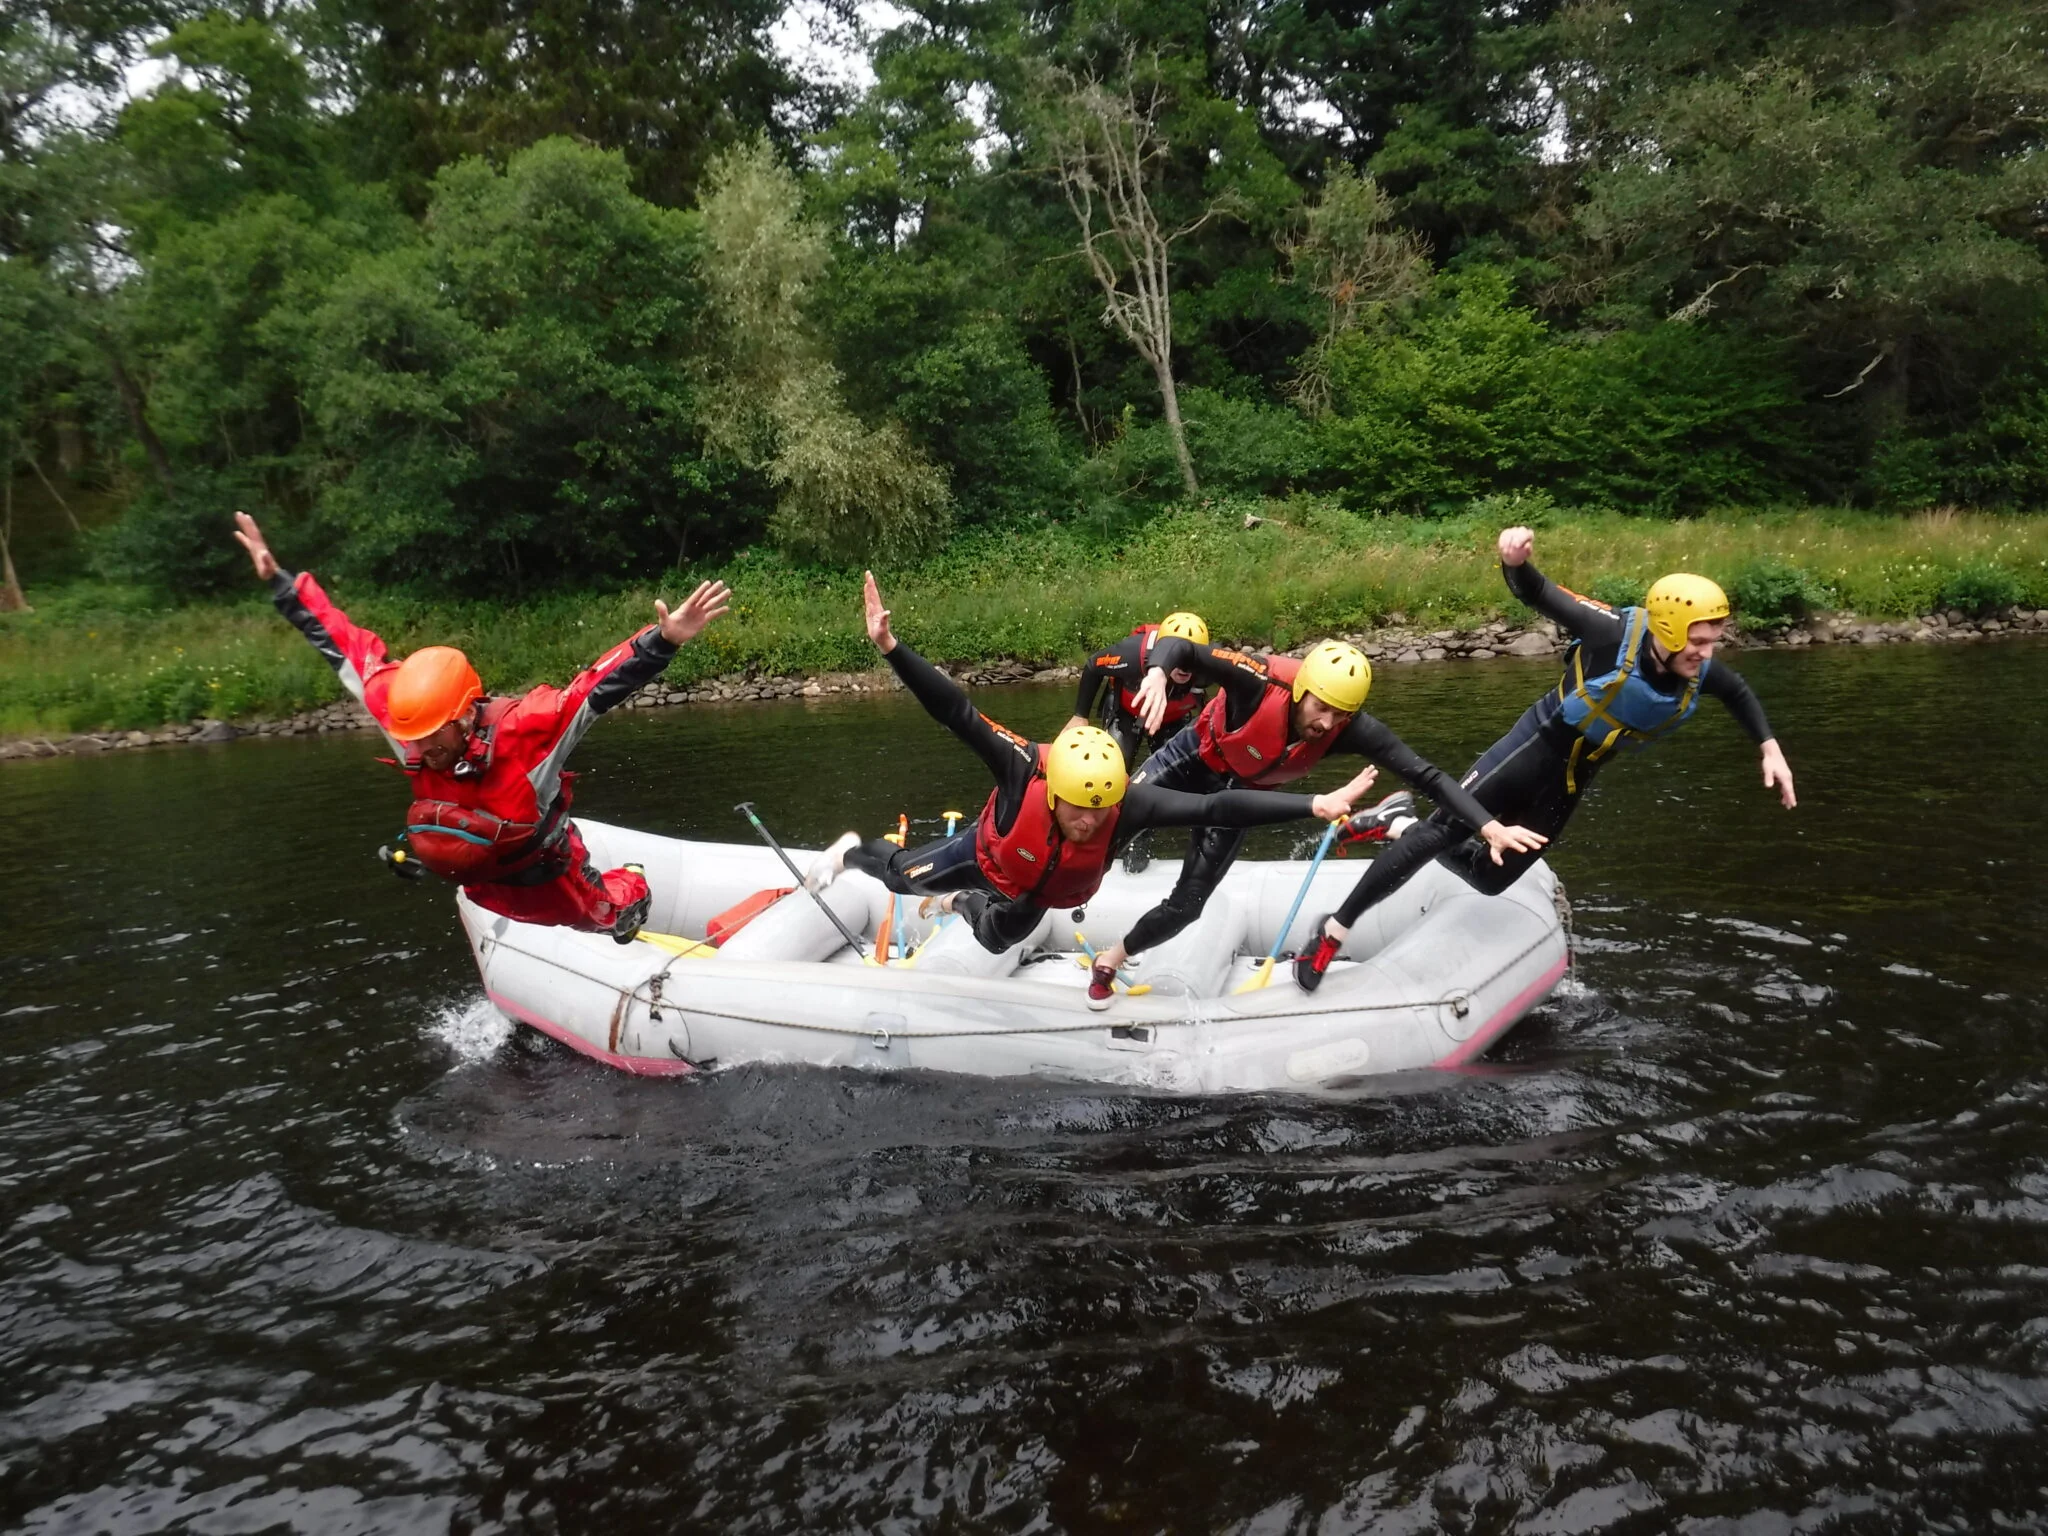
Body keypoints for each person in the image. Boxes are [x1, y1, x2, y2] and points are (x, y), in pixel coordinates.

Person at [807, 574, 1382, 986]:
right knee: (901, 879)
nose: (1091, 822)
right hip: (989, 855)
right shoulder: (1021, 768)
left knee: (996, 936)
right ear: (1054, 791)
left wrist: (1312, 805)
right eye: (1080, 809)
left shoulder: (1126, 805)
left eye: (1102, 810)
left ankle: (962, 905)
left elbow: (1217, 809)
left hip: (1038, 888)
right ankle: (855, 852)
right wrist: (891, 647)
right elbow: (955, 712)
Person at [1293, 524, 1798, 991]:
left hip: (1572, 778)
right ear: (1667, 630)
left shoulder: (1697, 670)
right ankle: (1333, 931)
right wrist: (1515, 563)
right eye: (1699, 641)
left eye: (1714, 642)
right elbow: (1540, 593)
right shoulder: (1610, 633)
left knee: (1491, 879)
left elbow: (1737, 691)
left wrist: (1769, 748)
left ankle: (1396, 822)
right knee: (1443, 832)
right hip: (1533, 746)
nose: (1708, 654)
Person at [232, 512, 730, 942]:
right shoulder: (404, 713)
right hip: (478, 872)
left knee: (606, 915)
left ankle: (634, 887)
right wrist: (280, 581)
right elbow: (341, 642)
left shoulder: (530, 731)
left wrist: (663, 640)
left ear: (468, 713)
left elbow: (594, 688)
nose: (423, 746)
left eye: (435, 733)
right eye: (415, 735)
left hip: (547, 875)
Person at [1080, 632, 1550, 1003]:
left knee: (1188, 906)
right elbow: (1183, 647)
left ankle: (1113, 957)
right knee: (1108, 826)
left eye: (1341, 714)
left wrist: (1489, 825)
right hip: (1188, 759)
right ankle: (1031, 892)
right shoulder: (1258, 680)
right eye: (1321, 707)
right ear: (1303, 689)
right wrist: (1160, 673)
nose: (1326, 722)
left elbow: (1427, 776)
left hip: (1240, 797)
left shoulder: (1348, 728)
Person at [1065, 610, 1212, 872]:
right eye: (1178, 657)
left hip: (1171, 717)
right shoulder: (1133, 654)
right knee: (1110, 774)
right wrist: (1080, 716)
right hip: (1127, 712)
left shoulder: (1212, 665)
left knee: (1177, 778)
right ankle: (1094, 841)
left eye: (1192, 659)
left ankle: (1142, 836)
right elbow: (1092, 666)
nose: (1185, 668)